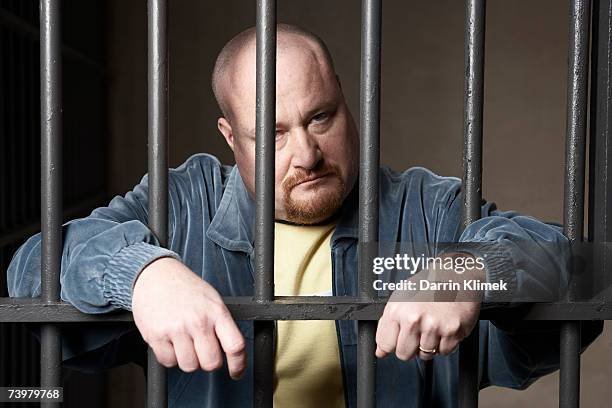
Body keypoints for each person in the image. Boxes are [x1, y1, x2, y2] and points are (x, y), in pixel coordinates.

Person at [7, 24, 603, 408]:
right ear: (230, 138)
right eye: (272, 133)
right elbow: (33, 268)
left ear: (347, 101)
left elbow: (574, 269)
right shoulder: (182, 206)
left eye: (321, 117)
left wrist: (472, 270)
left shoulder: (426, 211)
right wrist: (140, 275)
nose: (307, 154)